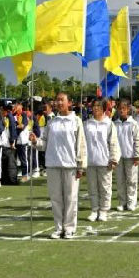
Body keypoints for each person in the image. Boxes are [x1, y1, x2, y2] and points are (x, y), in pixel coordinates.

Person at [30, 92, 87, 239]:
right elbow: (44, 143)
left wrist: (80, 165)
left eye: (62, 100)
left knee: (70, 198)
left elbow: (81, 144)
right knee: (56, 198)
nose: (59, 103)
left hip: (70, 165)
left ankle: (69, 228)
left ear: (69, 103)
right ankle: (58, 227)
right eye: (57, 100)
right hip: (53, 164)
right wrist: (36, 141)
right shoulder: (52, 122)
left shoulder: (76, 121)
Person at [84, 99, 120, 222]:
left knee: (105, 187)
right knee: (92, 188)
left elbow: (113, 142)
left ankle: (104, 210)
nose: (95, 108)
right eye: (94, 106)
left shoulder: (109, 124)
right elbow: (82, 143)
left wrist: (113, 158)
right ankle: (94, 210)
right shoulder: (87, 124)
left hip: (105, 161)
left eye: (98, 106)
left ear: (103, 108)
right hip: (90, 161)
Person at [114, 99, 139, 212]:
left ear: (128, 110)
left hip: (131, 157)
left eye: (124, 109)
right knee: (120, 181)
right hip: (119, 157)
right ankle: (122, 202)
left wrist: (137, 155)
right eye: (120, 108)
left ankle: (131, 202)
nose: (122, 111)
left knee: (131, 180)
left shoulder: (133, 124)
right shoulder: (115, 124)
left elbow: (138, 140)